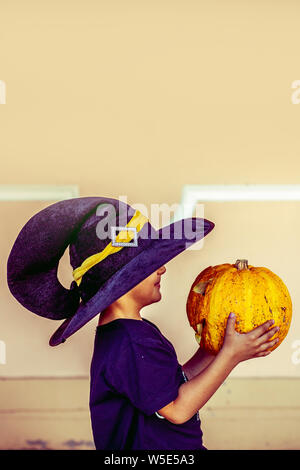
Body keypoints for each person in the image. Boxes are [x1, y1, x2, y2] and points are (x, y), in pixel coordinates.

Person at [90, 264, 279, 450]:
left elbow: (170, 387)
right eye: (149, 262)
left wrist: (214, 350)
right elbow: (177, 410)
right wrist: (230, 357)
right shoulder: (132, 342)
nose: (161, 268)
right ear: (118, 277)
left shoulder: (132, 332)